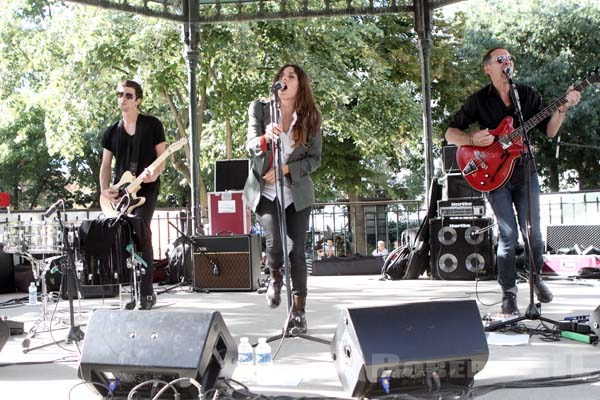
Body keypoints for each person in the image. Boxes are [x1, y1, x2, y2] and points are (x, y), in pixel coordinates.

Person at [445, 47, 580, 315]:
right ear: (488, 68)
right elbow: (450, 133)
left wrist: (562, 108)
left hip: (524, 170)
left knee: (535, 233)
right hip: (494, 176)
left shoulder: (526, 95)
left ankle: (535, 277)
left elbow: (550, 131)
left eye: (509, 59)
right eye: (500, 59)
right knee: (508, 234)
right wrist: (471, 140)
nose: (507, 62)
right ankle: (508, 293)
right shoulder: (479, 101)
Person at [243, 64, 322, 334]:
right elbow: (250, 145)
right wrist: (265, 137)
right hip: (264, 190)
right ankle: (275, 275)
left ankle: (298, 312)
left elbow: (315, 160)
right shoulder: (260, 108)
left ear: (300, 85)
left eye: (291, 76)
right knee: (275, 243)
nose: (284, 80)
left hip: (296, 191)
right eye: (282, 76)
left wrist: (286, 169)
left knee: (298, 252)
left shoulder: (310, 117)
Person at [99, 80, 166, 310]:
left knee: (141, 230)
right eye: (120, 94)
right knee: (126, 240)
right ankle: (135, 292)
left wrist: (153, 173)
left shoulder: (152, 125)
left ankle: (147, 293)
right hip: (121, 192)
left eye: (128, 95)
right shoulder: (112, 132)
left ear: (138, 99)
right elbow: (106, 165)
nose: (122, 99)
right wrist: (104, 189)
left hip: (146, 188)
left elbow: (162, 159)